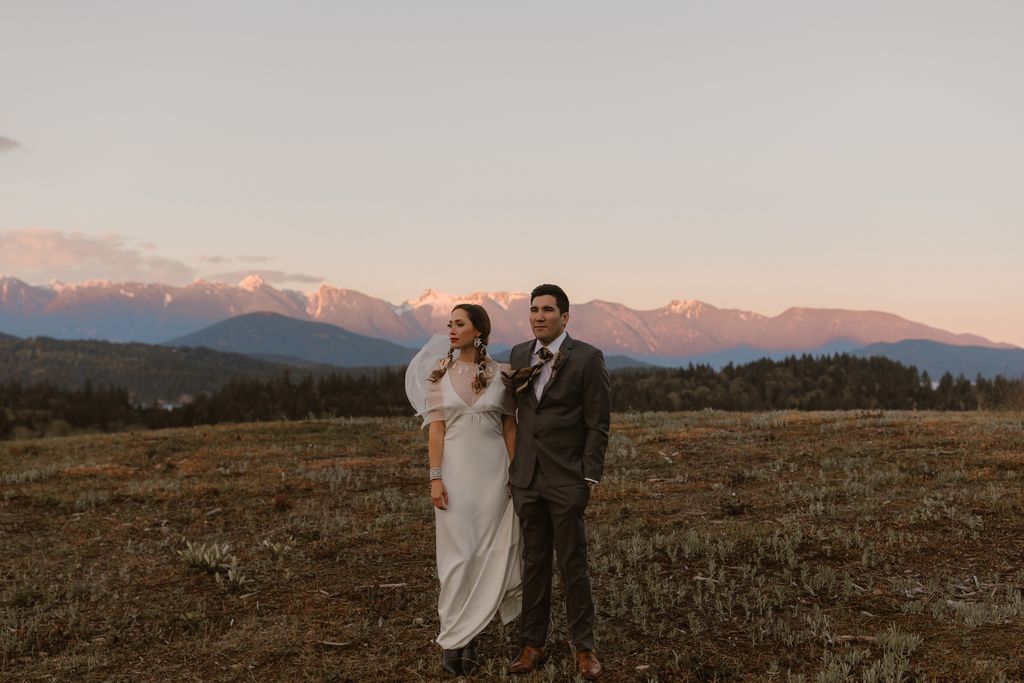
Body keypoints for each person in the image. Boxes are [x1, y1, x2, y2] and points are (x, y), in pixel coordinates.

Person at [405, 303, 523, 676]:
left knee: (489, 549)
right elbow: (436, 430)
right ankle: (455, 636)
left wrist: (515, 471)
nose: (451, 330)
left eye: (459, 324)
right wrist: (435, 477)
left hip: (494, 474)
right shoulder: (439, 374)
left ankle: (475, 627)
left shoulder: (502, 374)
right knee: (457, 555)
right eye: (449, 324)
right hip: (455, 474)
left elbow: (510, 427)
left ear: (478, 331)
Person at [503, 284, 610, 680]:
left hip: (568, 479)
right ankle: (533, 645)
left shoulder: (587, 358)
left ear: (565, 317)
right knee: (534, 565)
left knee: (573, 565)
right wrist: (515, 471)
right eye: (534, 309)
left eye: (548, 310)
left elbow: (598, 423)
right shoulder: (517, 355)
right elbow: (513, 414)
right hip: (527, 479)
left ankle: (584, 648)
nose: (539, 316)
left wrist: (588, 476)